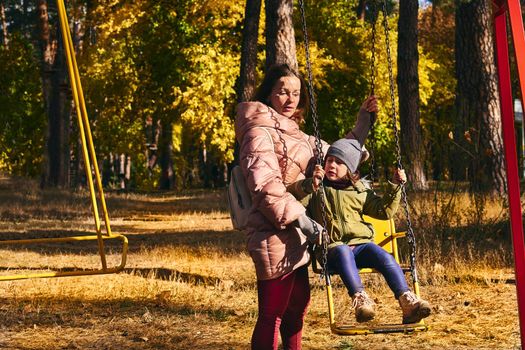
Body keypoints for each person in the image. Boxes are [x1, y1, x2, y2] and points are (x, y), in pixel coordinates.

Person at [235, 63, 377, 350]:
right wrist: (302, 219)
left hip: (298, 235)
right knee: (272, 313)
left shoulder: (296, 134)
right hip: (272, 230)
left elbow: (337, 155)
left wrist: (363, 122)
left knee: (296, 310)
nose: (290, 100)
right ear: (268, 95)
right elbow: (265, 186)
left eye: (296, 93)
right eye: (283, 92)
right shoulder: (257, 133)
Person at [286, 137, 432, 325]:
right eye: (329, 160)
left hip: (360, 246)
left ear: (350, 169)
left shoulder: (359, 190)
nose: (332, 165)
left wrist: (395, 186)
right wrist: (309, 185)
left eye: (339, 162)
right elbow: (290, 199)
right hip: (332, 248)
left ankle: (407, 301)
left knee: (384, 256)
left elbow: (384, 211)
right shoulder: (317, 189)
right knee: (343, 250)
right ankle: (361, 300)